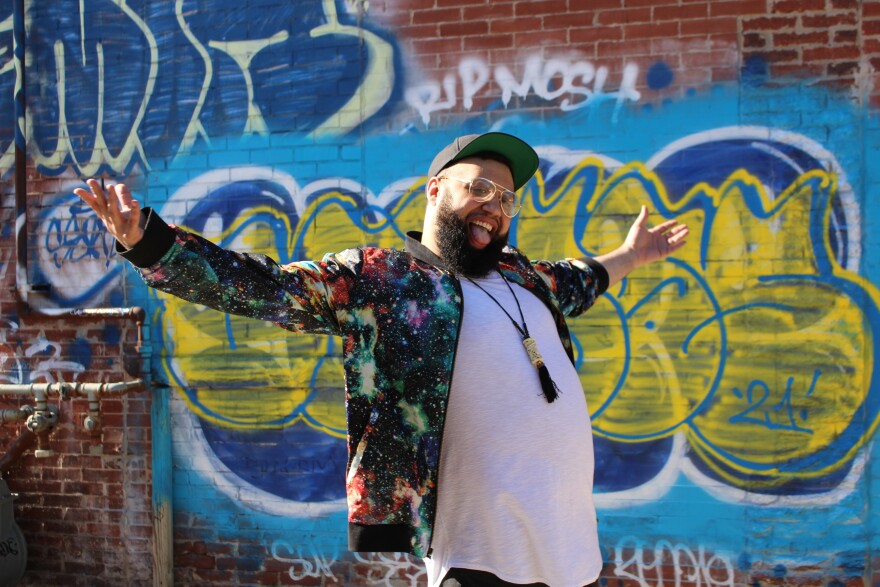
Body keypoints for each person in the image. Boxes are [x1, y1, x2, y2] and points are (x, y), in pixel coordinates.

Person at [74, 132, 688, 587]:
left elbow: (584, 277)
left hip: (572, 550)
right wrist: (148, 241)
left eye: (505, 198)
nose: (493, 206)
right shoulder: (383, 279)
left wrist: (633, 255)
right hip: (478, 553)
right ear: (436, 189)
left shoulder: (527, 278)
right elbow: (262, 287)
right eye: (478, 187)